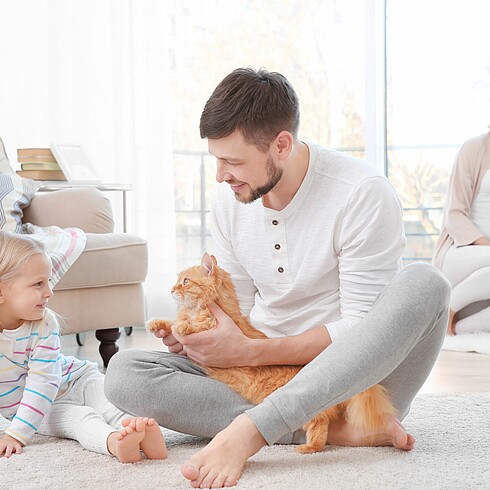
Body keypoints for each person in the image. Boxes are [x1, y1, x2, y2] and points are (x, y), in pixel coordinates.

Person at [104, 67, 451, 488]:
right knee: (124, 370)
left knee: (426, 283)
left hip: (355, 387)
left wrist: (247, 352)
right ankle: (320, 431)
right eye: (217, 160)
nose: (221, 175)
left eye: (233, 161)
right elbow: (241, 311)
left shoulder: (361, 193)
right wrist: (204, 340)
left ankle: (252, 431)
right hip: (260, 379)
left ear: (281, 145)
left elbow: (363, 329)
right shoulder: (230, 199)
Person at [0, 231, 167, 462]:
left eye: (48, 282)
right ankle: (115, 443)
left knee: (110, 404)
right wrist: (15, 433)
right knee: (80, 418)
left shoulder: (45, 322)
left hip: (77, 378)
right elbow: (40, 392)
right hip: (38, 407)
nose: (49, 292)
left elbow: (44, 379)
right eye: (38, 284)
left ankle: (141, 432)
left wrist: (15, 435)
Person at [432, 131, 490, 335]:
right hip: (460, 253)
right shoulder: (474, 149)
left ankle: (455, 328)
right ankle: (449, 307)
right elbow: (454, 216)